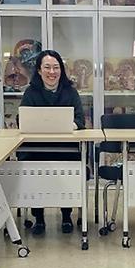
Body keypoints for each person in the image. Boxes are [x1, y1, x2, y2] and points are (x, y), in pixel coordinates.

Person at [19, 49, 86, 235]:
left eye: (56, 67)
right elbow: (21, 120)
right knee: (34, 173)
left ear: (61, 70)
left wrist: (68, 125)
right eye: (47, 67)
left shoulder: (70, 92)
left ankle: (66, 216)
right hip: (36, 150)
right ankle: (38, 218)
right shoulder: (31, 92)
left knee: (68, 171)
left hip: (65, 149)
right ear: (39, 70)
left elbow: (80, 120)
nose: (52, 72)